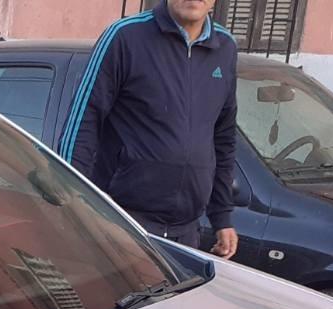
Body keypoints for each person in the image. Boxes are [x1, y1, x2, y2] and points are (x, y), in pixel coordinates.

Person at [58, 0, 240, 258]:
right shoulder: (125, 36)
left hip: (185, 233)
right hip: (120, 222)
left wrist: (222, 216)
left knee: (175, 300)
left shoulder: (225, 47)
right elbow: (85, 117)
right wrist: (70, 195)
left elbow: (223, 136)